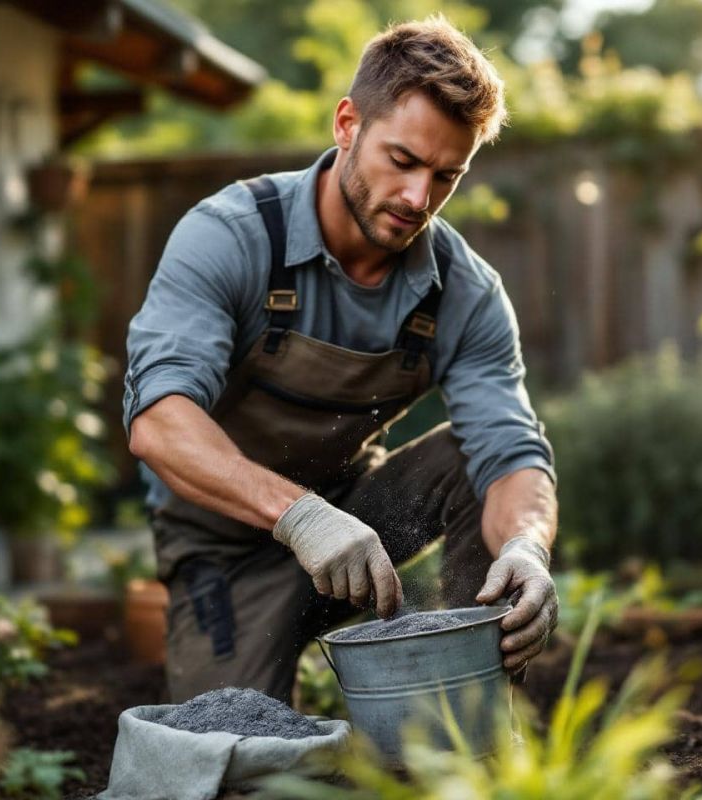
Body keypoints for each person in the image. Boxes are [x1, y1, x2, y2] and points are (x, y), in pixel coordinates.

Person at [124, 15, 558, 705]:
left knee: (478, 461)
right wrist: (300, 518)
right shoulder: (231, 237)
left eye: (447, 176)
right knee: (232, 748)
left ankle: (469, 722)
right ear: (348, 124)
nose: (420, 199)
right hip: (226, 551)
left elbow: (510, 452)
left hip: (360, 536)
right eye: (403, 161)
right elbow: (159, 422)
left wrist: (527, 549)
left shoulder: (464, 292)